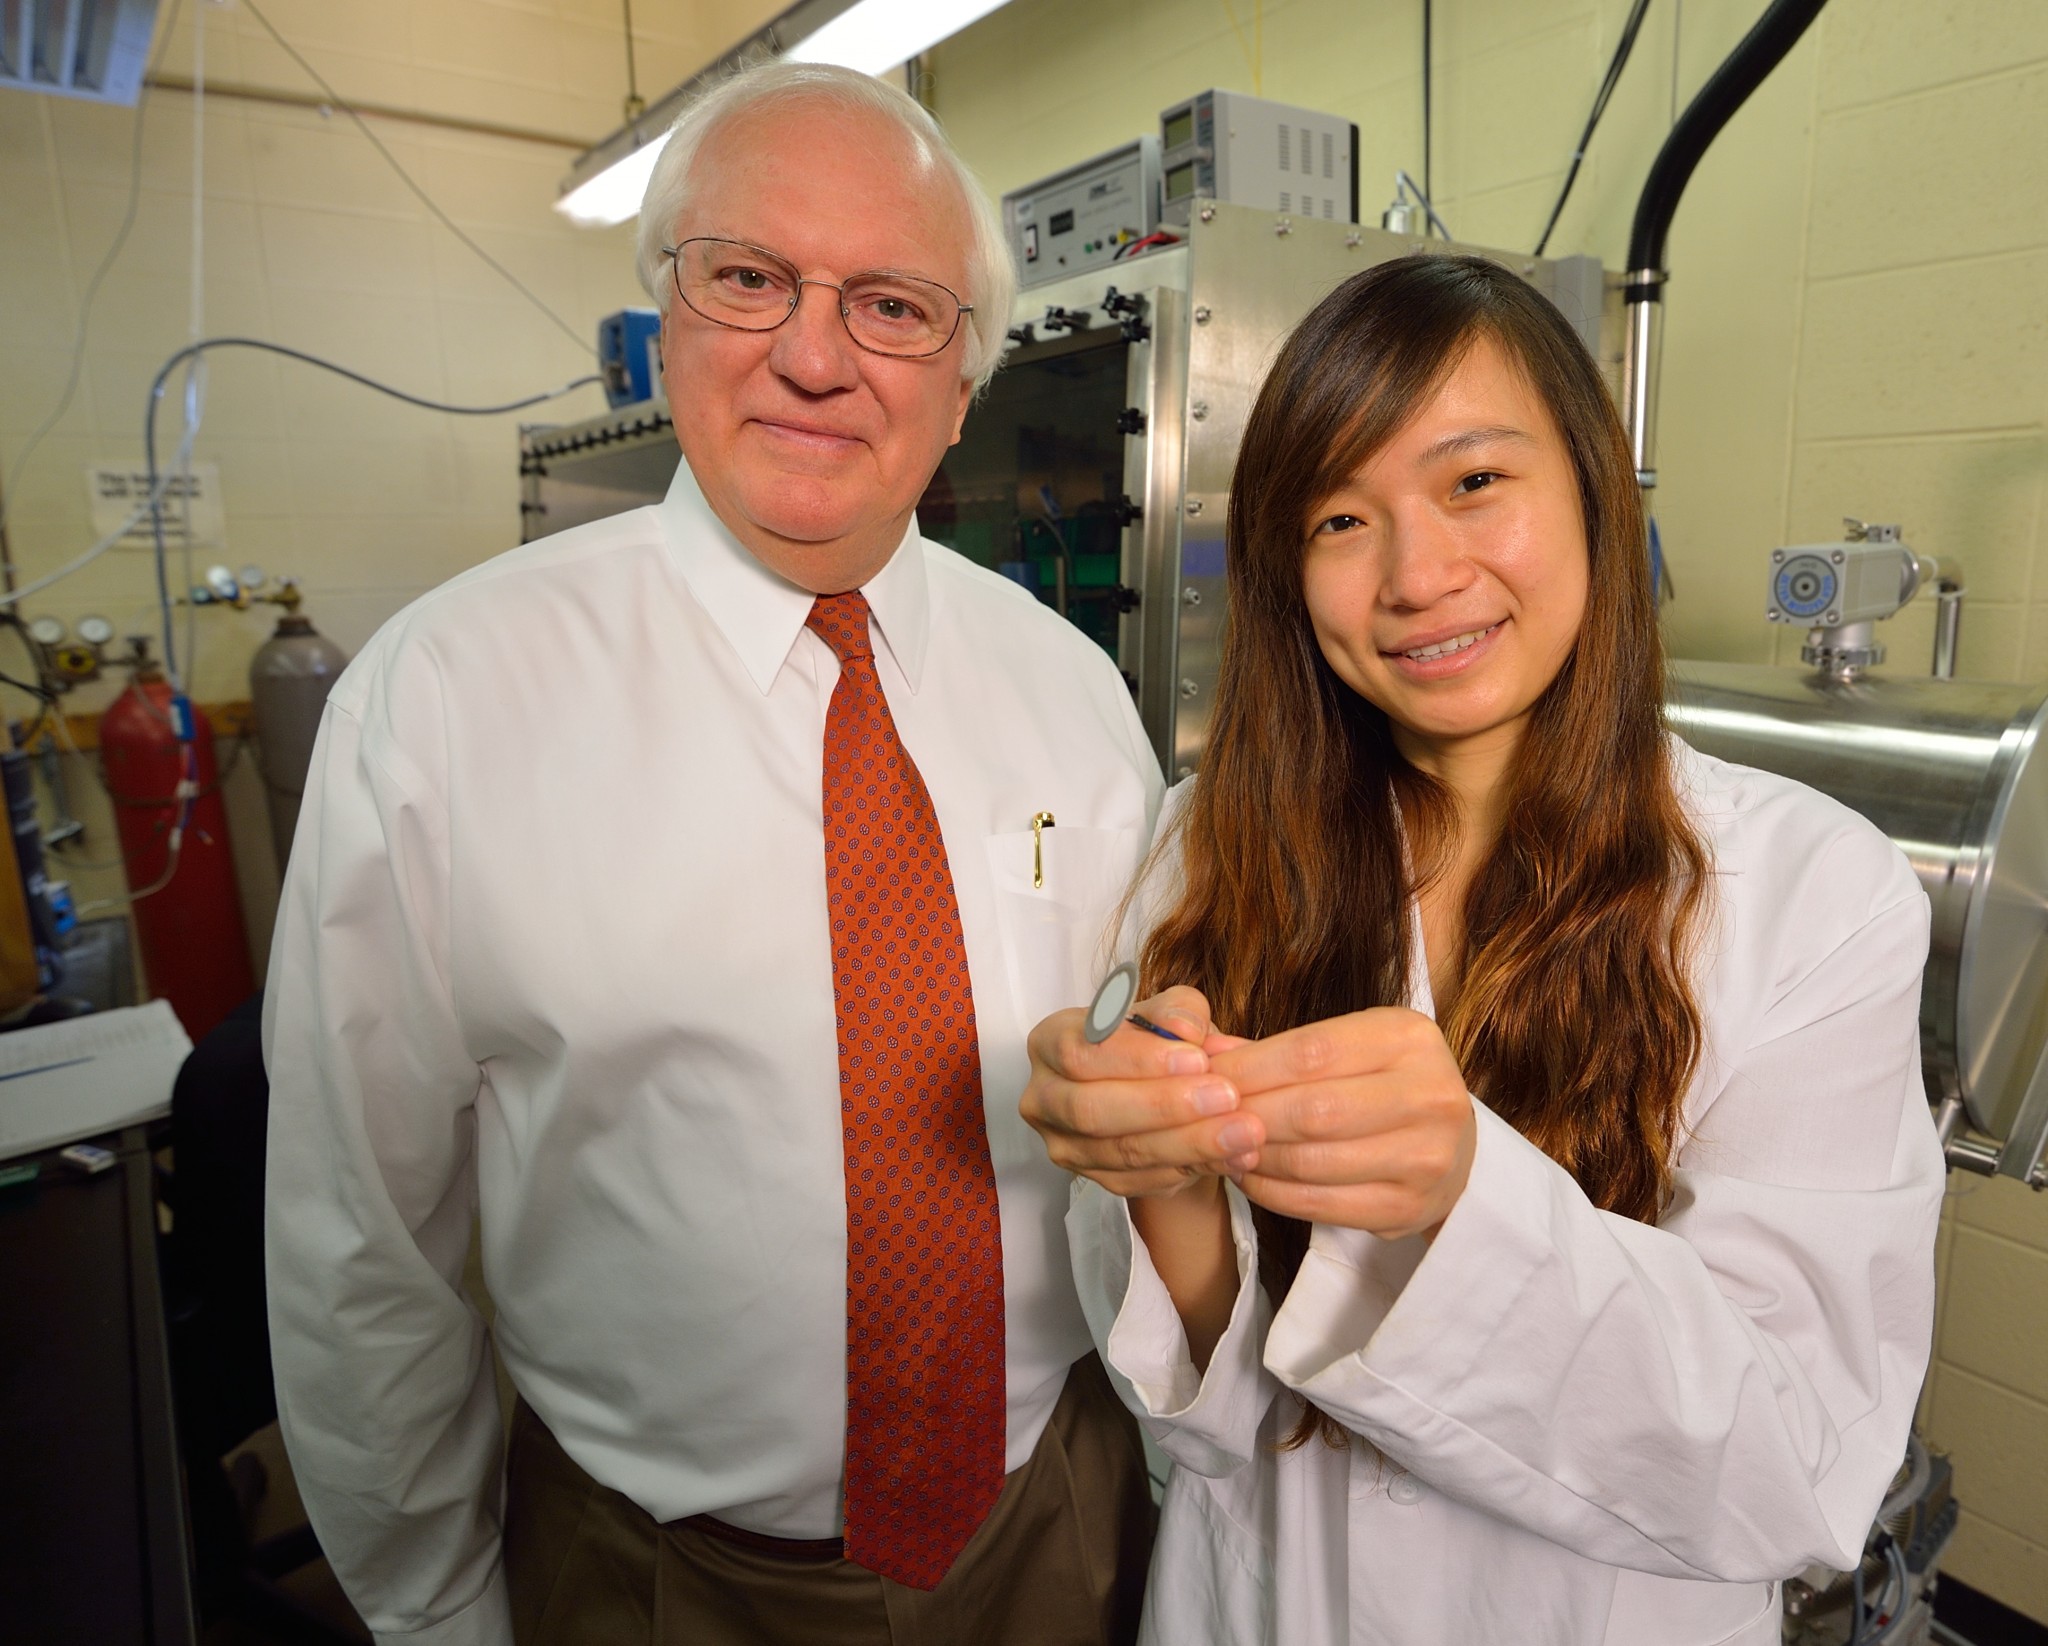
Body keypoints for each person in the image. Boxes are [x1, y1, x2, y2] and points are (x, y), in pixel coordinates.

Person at [264, 61, 1162, 1646]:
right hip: (659, 1583)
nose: (814, 356)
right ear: (665, 314)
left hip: (1055, 1525)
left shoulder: (1073, 694)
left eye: (894, 306)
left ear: (962, 380)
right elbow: (360, 1233)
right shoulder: (449, 700)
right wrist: (438, 1604)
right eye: (749, 279)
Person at [1021, 254, 1944, 1646]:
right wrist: (1162, 1185)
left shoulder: (1812, 892)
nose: (1416, 575)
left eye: (1472, 483)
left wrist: (1460, 1201)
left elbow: (1801, 1457)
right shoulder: (1206, 849)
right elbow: (1211, 1407)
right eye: (1341, 515)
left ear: (1589, 484)